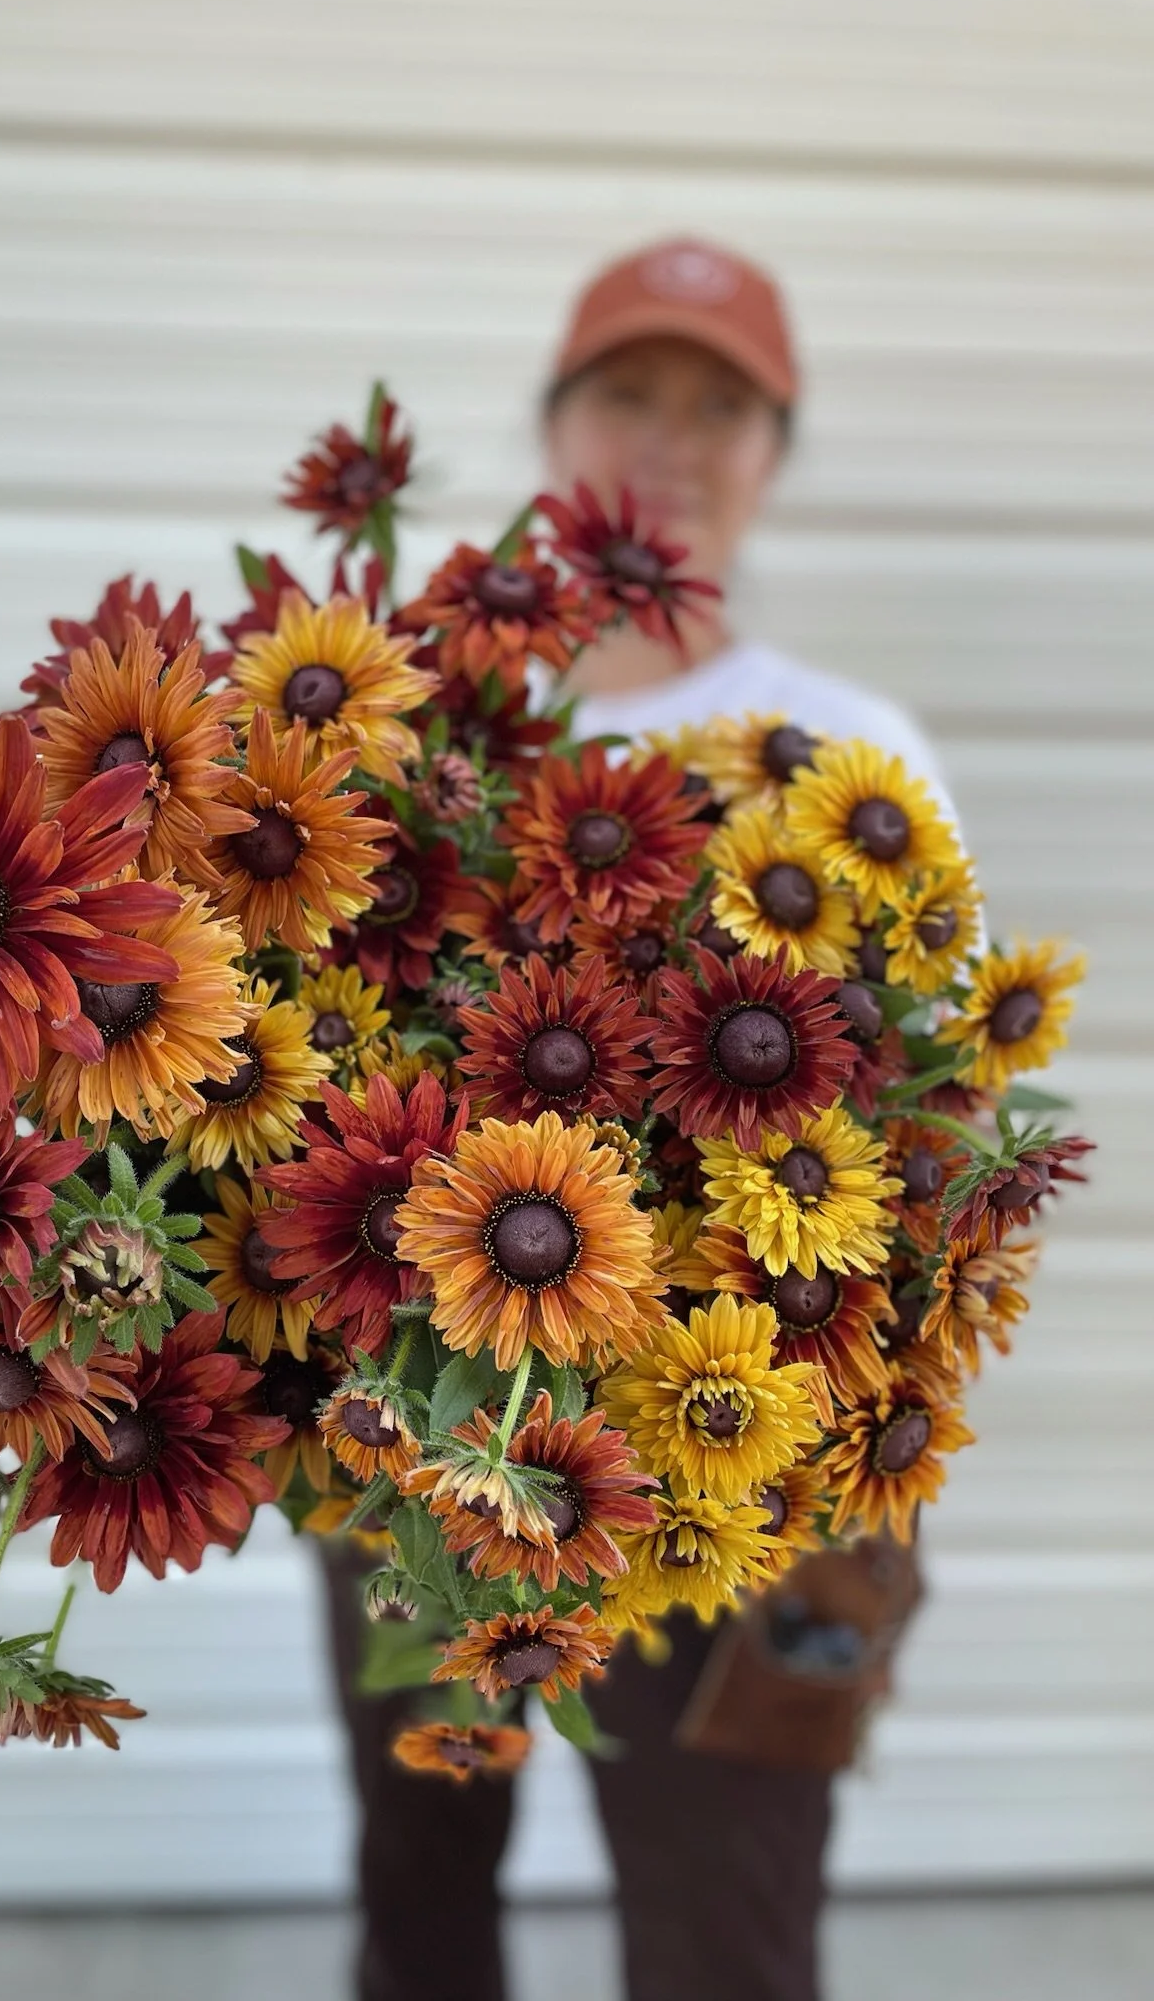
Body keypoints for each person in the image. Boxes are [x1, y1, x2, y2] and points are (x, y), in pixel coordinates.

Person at [322, 237, 945, 2001]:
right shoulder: (430, 724)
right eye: (630, 393)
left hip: (746, 1462)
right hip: (416, 1433)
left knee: (728, 1923)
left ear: (775, 450)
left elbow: (937, 1131)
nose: (671, 440)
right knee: (420, 1893)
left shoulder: (847, 750)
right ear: (552, 428)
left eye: (721, 406)